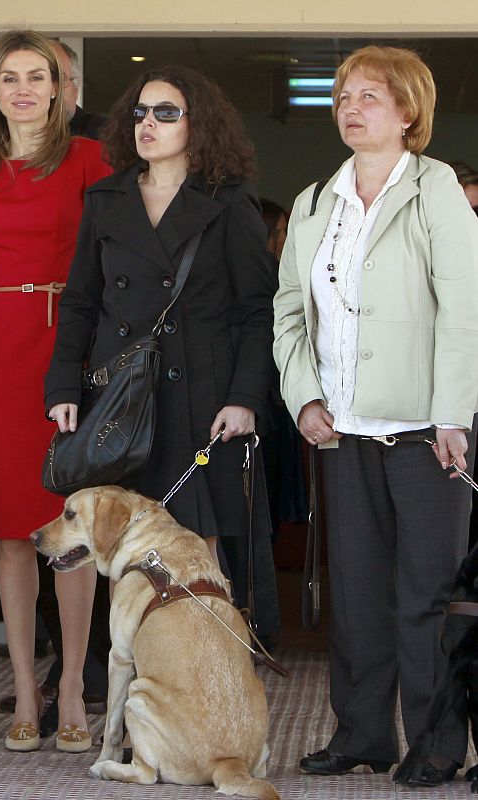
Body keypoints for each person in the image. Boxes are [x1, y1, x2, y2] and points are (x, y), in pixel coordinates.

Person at [274, 46, 478, 785]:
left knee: (425, 594)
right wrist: (304, 398)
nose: (351, 108)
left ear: (407, 113)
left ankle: (436, 743)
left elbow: (465, 313)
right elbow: (289, 314)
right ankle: (362, 735)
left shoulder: (438, 192)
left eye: (369, 96)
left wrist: (454, 414)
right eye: (343, 97)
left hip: (428, 431)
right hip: (342, 429)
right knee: (356, 596)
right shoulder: (311, 203)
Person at [46, 64, 277, 663]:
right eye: (141, 113)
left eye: (166, 113)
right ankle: (143, 679)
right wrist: (64, 383)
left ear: (197, 125)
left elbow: (258, 310)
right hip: (123, 401)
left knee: (197, 549)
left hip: (203, 399)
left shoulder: (229, 203)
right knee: (124, 544)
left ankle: (208, 675)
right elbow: (80, 301)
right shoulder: (106, 199)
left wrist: (246, 396)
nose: (148, 124)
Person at [0, 30, 111, 754]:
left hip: (71, 348)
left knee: (69, 529)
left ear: (59, 88)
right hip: (4, 353)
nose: (22, 88)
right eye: (9, 77)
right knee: (15, 532)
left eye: (36, 76)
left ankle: (73, 683)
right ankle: (22, 687)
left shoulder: (87, 158)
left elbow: (106, 264)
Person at [49, 40, 107, 139]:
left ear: (76, 88)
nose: (51, 90)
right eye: (37, 78)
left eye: (59, 79)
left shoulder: (106, 134)